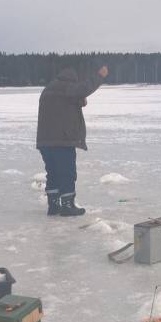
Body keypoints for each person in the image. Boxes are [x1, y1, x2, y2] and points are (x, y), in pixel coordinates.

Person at [36, 64, 109, 216]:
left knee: (53, 173)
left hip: (45, 141)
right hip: (61, 140)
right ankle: (68, 206)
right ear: (72, 80)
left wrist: (79, 100)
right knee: (67, 173)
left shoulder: (49, 89)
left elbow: (64, 104)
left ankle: (53, 205)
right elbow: (83, 89)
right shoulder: (67, 87)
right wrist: (100, 76)